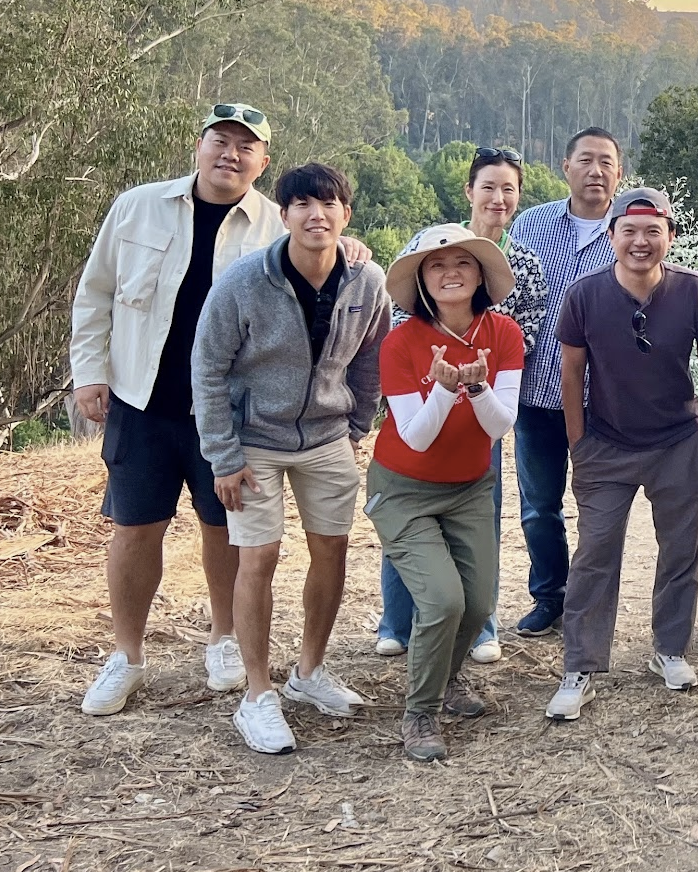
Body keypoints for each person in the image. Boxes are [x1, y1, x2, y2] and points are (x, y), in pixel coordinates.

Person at [71, 104, 370, 716]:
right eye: (220, 141)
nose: (230, 154)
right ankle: (127, 654)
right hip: (142, 394)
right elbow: (95, 290)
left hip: (235, 412)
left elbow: (327, 259)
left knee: (225, 530)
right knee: (135, 525)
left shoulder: (277, 224)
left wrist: (347, 242)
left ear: (264, 162)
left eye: (246, 146)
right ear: (199, 147)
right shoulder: (137, 206)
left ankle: (224, 638)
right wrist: (90, 373)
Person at [192, 163, 389, 754]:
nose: (316, 215)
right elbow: (207, 368)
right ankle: (257, 695)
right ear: (284, 215)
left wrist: (357, 424)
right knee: (260, 555)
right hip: (255, 439)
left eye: (328, 204)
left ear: (345, 215)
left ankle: (308, 672)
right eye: (302, 204)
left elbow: (370, 358)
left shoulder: (365, 280)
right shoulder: (246, 281)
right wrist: (223, 457)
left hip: (327, 437)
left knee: (332, 547)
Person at [545, 188, 698, 720]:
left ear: (669, 235)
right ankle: (580, 663)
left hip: (677, 442)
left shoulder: (693, 291)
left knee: (680, 552)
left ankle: (668, 650)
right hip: (606, 444)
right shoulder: (584, 296)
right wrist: (579, 442)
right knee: (595, 553)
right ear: (612, 234)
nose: (641, 242)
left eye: (653, 231)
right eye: (630, 230)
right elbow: (571, 372)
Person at [375, 146, 548, 664]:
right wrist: (433, 374)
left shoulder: (524, 263)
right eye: (489, 186)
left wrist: (482, 378)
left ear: (518, 198)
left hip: (486, 402)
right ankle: (397, 620)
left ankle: (481, 623)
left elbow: (530, 332)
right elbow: (400, 315)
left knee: (481, 514)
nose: (498, 197)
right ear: (470, 191)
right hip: (424, 396)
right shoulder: (430, 246)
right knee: (409, 510)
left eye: (509, 189)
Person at [368, 224, 522, 761]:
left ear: (480, 274)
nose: (450, 272)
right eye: (436, 265)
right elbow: (415, 435)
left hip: (470, 485)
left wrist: (476, 387)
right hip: (403, 488)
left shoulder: (503, 333)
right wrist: (442, 387)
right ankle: (420, 712)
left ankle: (448, 677)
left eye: (462, 262)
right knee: (441, 601)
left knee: (477, 604)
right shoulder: (401, 341)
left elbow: (502, 425)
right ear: (421, 281)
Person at [505, 127, 623, 640]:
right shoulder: (530, 225)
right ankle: (549, 596)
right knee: (539, 507)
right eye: (586, 161)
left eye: (606, 162)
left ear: (620, 173)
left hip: (605, 398)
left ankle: (591, 603)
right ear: (565, 166)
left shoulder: (632, 230)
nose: (595, 171)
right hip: (536, 392)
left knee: (600, 507)